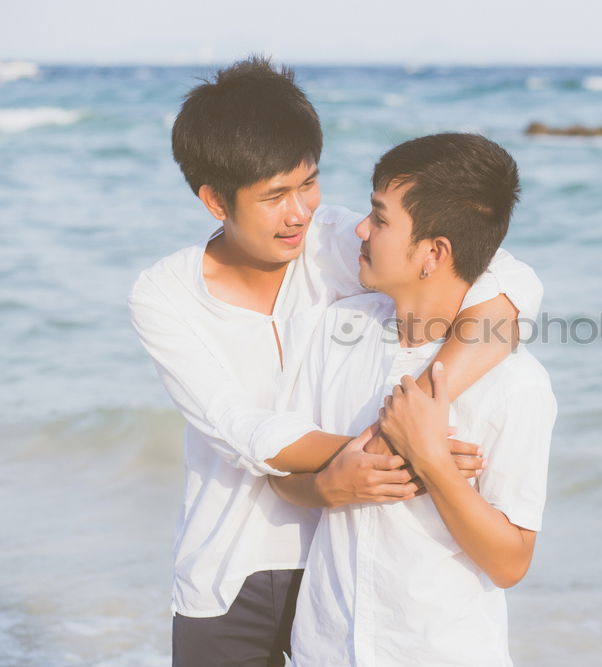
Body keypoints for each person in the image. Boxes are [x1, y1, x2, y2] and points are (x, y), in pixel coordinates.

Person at [127, 57, 541, 666]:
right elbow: (237, 424)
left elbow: (504, 280)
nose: (301, 212)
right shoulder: (163, 295)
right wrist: (386, 448)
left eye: (308, 183)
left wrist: (425, 406)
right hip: (231, 569)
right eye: (274, 196)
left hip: (343, 571)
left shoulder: (328, 244)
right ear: (215, 200)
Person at [275, 133, 556, 666]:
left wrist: (432, 462)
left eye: (380, 219)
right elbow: (279, 470)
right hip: (325, 648)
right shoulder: (337, 331)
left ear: (434, 253)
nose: (360, 229)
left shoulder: (516, 383)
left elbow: (511, 563)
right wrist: (328, 486)